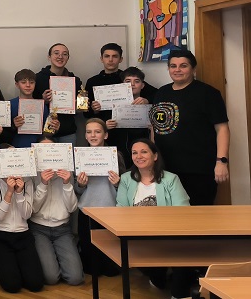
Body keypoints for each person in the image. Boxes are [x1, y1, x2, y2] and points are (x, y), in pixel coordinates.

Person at [150, 49, 230, 206]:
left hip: (198, 170)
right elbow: (155, 127)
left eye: (183, 66)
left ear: (193, 69)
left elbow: (222, 129)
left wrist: (221, 161)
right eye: (173, 66)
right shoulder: (161, 92)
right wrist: (152, 159)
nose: (177, 70)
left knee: (198, 215)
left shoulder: (208, 93)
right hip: (165, 168)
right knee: (167, 215)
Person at [116, 139, 191, 298]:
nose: (138, 156)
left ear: (155, 156)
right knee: (155, 276)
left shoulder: (171, 179)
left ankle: (179, 294)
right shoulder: (126, 179)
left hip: (168, 234)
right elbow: (121, 209)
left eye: (144, 152)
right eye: (134, 153)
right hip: (138, 236)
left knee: (183, 254)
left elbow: (183, 211)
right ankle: (159, 276)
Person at [0, 145, 45, 294]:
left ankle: (13, 264)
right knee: (12, 286)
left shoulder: (27, 180)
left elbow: (27, 214)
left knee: (35, 284)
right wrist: (9, 192)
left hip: (23, 235)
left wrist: (19, 193)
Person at [29, 135, 84, 286]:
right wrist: (43, 184)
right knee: (51, 278)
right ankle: (53, 261)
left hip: (63, 229)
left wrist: (67, 183)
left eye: (51, 149)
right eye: (43, 150)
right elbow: (32, 209)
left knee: (75, 278)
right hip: (38, 229)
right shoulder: (32, 174)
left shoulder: (66, 172)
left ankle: (62, 260)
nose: (48, 154)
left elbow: (72, 208)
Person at [73, 119, 124, 277]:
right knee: (91, 266)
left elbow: (125, 189)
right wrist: (80, 184)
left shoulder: (116, 156)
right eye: (89, 132)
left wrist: (118, 183)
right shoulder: (79, 157)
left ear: (105, 135)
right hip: (87, 210)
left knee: (110, 268)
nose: (93, 135)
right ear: (85, 136)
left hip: (110, 211)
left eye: (97, 131)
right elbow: (76, 190)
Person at [85, 43, 157, 122]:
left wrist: (146, 100)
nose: (110, 60)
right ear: (101, 59)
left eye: (115, 56)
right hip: (103, 126)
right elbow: (86, 114)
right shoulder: (92, 82)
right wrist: (94, 110)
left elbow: (157, 94)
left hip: (128, 124)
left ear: (121, 59)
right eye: (107, 56)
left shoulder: (128, 78)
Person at [32, 43, 82, 145]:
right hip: (44, 134)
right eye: (56, 53)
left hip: (67, 133)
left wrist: (78, 107)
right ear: (49, 57)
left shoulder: (75, 80)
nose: (60, 56)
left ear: (68, 58)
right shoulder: (38, 78)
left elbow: (79, 110)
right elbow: (30, 106)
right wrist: (43, 100)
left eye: (64, 54)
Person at [106, 66, 152, 167]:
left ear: (142, 85)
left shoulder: (150, 106)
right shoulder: (111, 105)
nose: (132, 84)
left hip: (142, 155)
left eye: (136, 81)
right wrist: (106, 126)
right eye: (128, 81)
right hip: (118, 153)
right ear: (122, 84)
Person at [9, 69, 59, 148]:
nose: (28, 85)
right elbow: (3, 132)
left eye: (31, 82)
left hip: (38, 148)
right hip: (17, 148)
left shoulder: (42, 105)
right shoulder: (10, 105)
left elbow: (46, 133)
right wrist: (13, 125)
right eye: (23, 82)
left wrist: (54, 128)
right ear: (17, 84)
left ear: (35, 84)